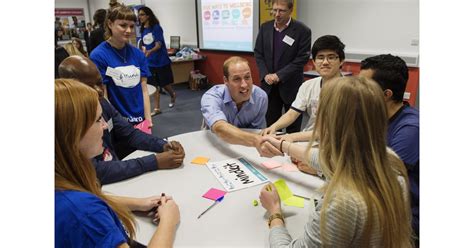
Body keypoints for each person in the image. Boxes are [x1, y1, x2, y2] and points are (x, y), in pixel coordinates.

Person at [259, 76, 413, 247]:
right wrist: (283, 146)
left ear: (329, 123)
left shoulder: (342, 203)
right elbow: (335, 160)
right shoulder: (389, 158)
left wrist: (274, 212)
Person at [55, 78, 180, 247]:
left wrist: (137, 203)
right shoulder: (85, 212)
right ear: (72, 132)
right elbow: (84, 211)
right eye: (98, 120)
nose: (105, 126)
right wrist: (169, 222)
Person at [58, 55, 186, 184]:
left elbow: (130, 134)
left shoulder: (102, 104)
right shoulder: (65, 122)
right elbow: (94, 170)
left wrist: (162, 144)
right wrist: (154, 161)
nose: (99, 91)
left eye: (99, 83)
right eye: (89, 86)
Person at [359, 54, 419, 244]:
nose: (357, 91)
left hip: (405, 220)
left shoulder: (411, 129)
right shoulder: (375, 117)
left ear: (386, 95)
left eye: (364, 86)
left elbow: (378, 179)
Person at [262, 35, 345, 136]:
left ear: (341, 61)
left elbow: (328, 131)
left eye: (331, 57)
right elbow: (292, 113)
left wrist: (291, 137)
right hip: (307, 138)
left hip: (336, 141)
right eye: (320, 57)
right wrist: (273, 127)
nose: (325, 62)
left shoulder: (350, 89)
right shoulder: (308, 85)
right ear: (314, 61)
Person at [90, 4, 153, 130]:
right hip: (119, 122)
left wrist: (148, 119)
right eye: (123, 25)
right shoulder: (99, 55)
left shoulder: (138, 54)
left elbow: (144, 89)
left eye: (131, 26)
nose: (128, 30)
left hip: (141, 120)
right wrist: (115, 122)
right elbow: (104, 95)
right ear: (110, 24)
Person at [201, 56, 279, 155]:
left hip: (245, 146)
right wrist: (256, 140)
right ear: (226, 80)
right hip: (216, 144)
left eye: (247, 77)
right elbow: (220, 128)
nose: (244, 85)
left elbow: (257, 131)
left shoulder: (260, 98)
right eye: (237, 79)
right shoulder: (211, 97)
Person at [254, 0, 311, 134]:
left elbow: (301, 59)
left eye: (281, 10)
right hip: (269, 85)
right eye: (274, 10)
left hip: (291, 85)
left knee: (293, 127)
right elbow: (258, 53)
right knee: (272, 125)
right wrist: (265, 74)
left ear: (291, 11)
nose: (277, 14)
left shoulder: (302, 30)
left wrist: (279, 75)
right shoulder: (265, 27)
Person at [138, 6, 177, 115]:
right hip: (149, 62)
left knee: (164, 84)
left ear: (148, 16)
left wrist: (150, 51)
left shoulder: (156, 28)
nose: (139, 17)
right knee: (154, 85)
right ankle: (157, 108)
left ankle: (172, 94)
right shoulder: (143, 29)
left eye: (142, 14)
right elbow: (145, 44)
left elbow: (159, 45)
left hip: (161, 61)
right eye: (139, 14)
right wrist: (144, 51)